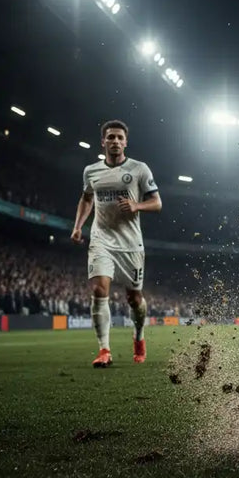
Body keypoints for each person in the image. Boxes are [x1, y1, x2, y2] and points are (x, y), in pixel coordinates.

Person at [71, 120, 161, 367]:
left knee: (134, 298)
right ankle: (104, 350)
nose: (115, 141)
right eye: (111, 137)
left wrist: (137, 205)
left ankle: (139, 337)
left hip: (131, 244)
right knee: (99, 290)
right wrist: (78, 226)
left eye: (120, 137)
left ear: (126, 142)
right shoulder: (91, 171)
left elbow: (157, 203)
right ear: (103, 141)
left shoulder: (139, 169)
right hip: (101, 240)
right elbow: (86, 198)